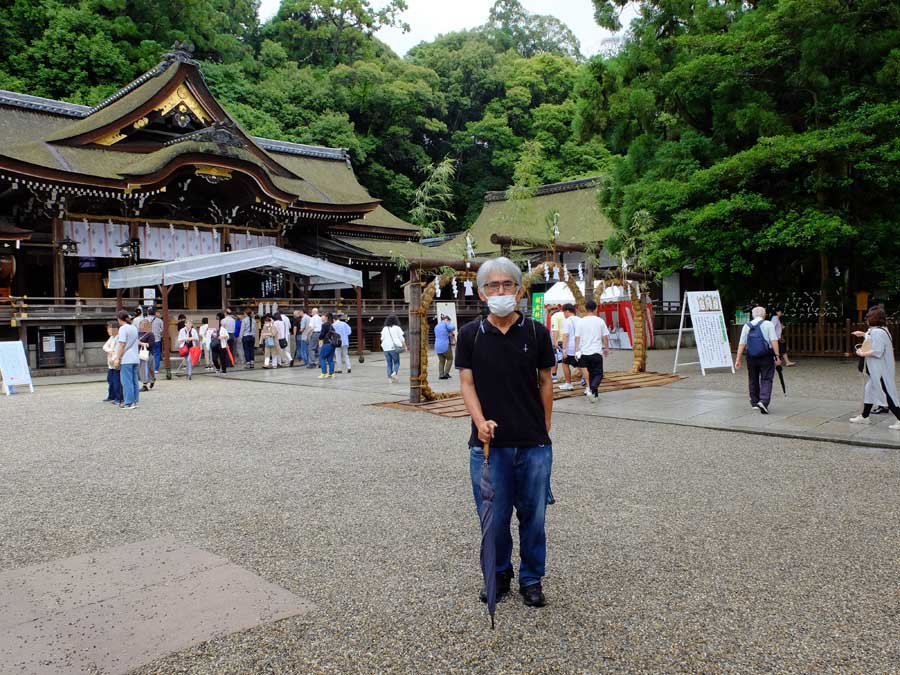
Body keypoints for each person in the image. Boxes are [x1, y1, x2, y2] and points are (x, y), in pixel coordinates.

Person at [456, 256, 555, 608]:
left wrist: (544, 427)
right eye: (493, 286)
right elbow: (466, 382)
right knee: (493, 518)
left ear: (519, 289)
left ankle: (531, 577)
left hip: (533, 444)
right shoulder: (471, 335)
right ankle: (498, 572)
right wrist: (480, 421)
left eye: (507, 284)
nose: (501, 291)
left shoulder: (536, 332)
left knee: (534, 515)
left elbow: (546, 381)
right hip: (488, 445)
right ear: (482, 294)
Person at [850, 306, 900, 429]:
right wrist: (863, 334)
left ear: (873, 319)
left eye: (868, 317)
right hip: (881, 369)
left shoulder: (877, 332)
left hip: (880, 370)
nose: (866, 319)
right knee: (869, 390)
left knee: (887, 393)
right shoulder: (881, 330)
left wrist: (861, 353)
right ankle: (864, 416)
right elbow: (872, 337)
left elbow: (877, 351)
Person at [734, 306, 781, 414]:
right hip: (766, 356)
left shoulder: (747, 326)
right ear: (764, 315)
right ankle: (763, 401)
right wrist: (777, 356)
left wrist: (738, 359)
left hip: (751, 356)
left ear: (753, 315)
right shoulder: (768, 324)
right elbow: (774, 341)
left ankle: (754, 402)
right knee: (766, 378)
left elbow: (742, 343)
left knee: (753, 378)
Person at [574, 300, 610, 403]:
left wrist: (577, 351)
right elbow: (605, 336)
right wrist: (606, 348)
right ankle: (592, 389)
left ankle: (594, 395)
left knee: (590, 374)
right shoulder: (600, 321)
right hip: (596, 352)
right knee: (598, 374)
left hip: (584, 353)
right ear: (595, 309)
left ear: (585, 309)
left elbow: (577, 337)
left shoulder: (581, 321)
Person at [112, 310, 140, 409]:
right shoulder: (134, 328)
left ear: (119, 319)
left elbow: (122, 344)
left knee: (126, 381)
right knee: (134, 381)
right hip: (135, 357)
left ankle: (129, 402)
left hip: (126, 358)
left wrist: (117, 358)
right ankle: (135, 400)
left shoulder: (123, 329)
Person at [558, 303, 580, 391]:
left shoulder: (567, 321)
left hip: (570, 347)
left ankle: (568, 383)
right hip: (580, 347)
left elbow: (565, 335)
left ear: (567, 311)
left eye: (564, 312)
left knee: (565, 363)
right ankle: (589, 385)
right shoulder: (580, 319)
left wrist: (564, 349)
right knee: (582, 366)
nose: (564, 314)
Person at [381, 314, 407, 384]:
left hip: (386, 348)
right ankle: (394, 373)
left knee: (389, 364)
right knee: (396, 362)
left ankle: (390, 379)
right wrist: (405, 346)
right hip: (394, 347)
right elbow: (401, 338)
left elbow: (382, 338)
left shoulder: (384, 328)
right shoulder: (397, 328)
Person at [101, 321, 122, 405]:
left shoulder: (118, 337)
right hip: (110, 364)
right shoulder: (112, 338)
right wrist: (111, 350)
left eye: (109, 328)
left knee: (117, 382)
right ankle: (111, 396)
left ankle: (119, 398)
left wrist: (112, 353)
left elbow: (118, 351)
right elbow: (105, 346)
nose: (108, 330)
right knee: (110, 381)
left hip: (116, 362)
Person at [434, 314, 456, 380]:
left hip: (437, 346)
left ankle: (441, 375)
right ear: (446, 320)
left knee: (441, 361)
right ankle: (446, 373)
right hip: (445, 345)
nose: (449, 322)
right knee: (450, 359)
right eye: (449, 321)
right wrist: (447, 322)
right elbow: (452, 327)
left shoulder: (436, 326)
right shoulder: (445, 323)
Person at [318, 312, 339, 378]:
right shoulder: (331, 325)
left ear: (326, 317)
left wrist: (320, 339)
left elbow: (322, 334)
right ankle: (332, 373)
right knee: (330, 359)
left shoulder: (324, 325)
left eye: (322, 316)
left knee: (322, 357)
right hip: (332, 344)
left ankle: (324, 373)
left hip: (327, 343)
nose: (321, 317)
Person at [137, 319, 156, 392]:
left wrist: (141, 343)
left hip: (148, 353)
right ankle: (146, 383)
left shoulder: (150, 334)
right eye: (140, 324)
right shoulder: (139, 333)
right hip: (140, 353)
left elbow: (151, 344)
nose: (141, 326)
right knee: (143, 369)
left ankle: (149, 382)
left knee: (148, 369)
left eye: (142, 324)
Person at [549, 306, 565, 382]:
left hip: (559, 341)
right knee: (570, 359)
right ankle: (584, 377)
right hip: (567, 339)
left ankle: (554, 376)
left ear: (550, 312)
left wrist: (554, 341)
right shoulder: (564, 314)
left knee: (554, 358)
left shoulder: (554, 317)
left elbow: (555, 330)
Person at [147, 307, 164, 372]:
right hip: (157, 339)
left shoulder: (145, 320)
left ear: (148, 312)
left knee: (147, 353)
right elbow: (163, 329)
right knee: (157, 354)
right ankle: (156, 369)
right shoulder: (159, 320)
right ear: (155, 313)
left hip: (147, 340)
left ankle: (148, 368)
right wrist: (158, 332)